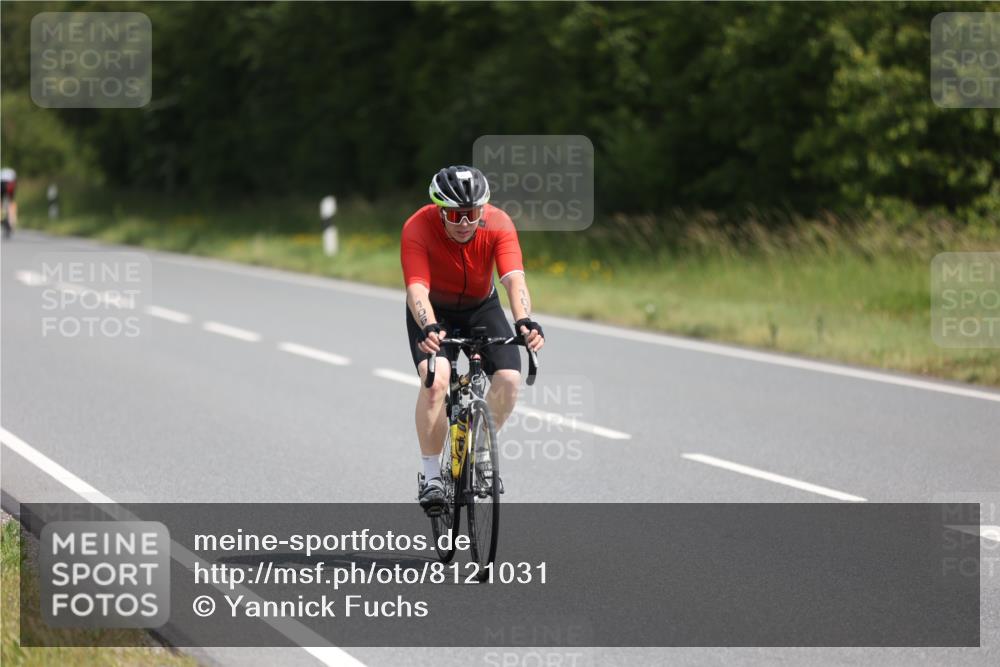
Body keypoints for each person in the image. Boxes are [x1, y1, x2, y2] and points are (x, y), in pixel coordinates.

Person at [401, 165, 545, 513]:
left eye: (471, 214)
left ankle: (480, 452)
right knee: (436, 383)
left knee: (509, 380)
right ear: (439, 209)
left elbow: (513, 278)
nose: (464, 223)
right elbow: (417, 287)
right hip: (434, 310)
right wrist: (430, 326)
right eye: (454, 215)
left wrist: (524, 320)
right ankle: (432, 476)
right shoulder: (418, 226)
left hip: (482, 306)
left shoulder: (498, 223)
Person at [1, 168, 17, 239]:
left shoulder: (3, 173)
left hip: (2, 185)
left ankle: (2, 218)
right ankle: (11, 221)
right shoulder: (12, 173)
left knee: (2, 203)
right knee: (11, 202)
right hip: (10, 185)